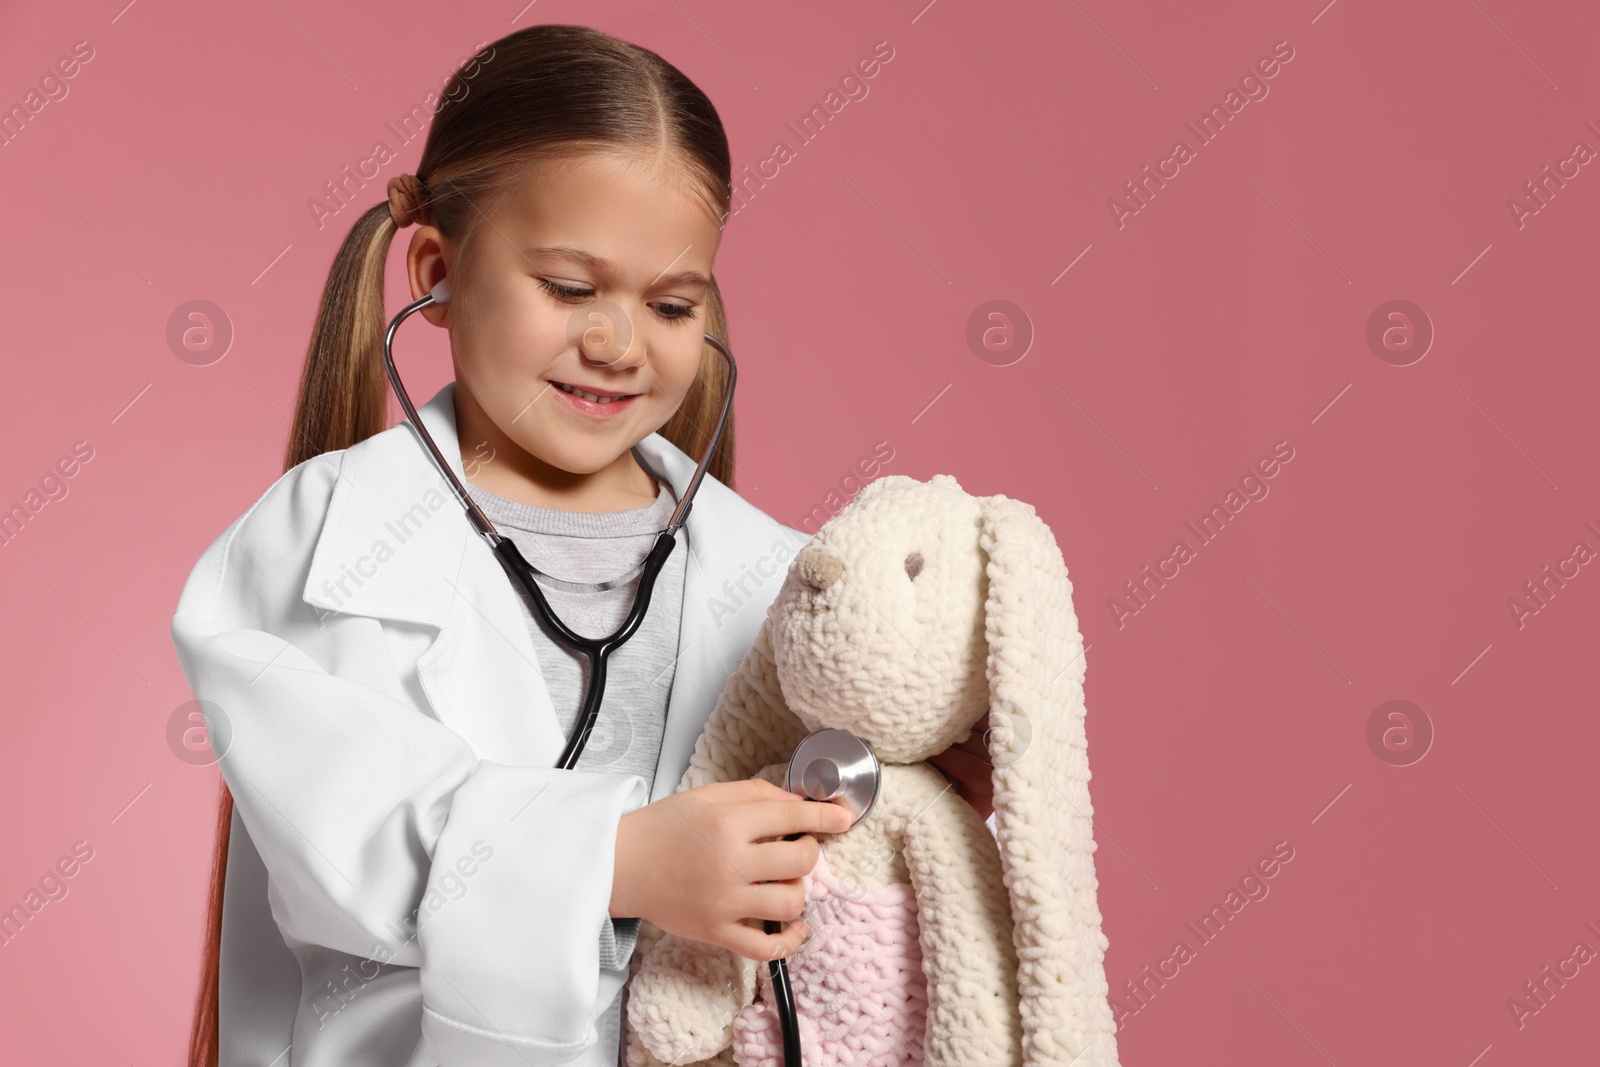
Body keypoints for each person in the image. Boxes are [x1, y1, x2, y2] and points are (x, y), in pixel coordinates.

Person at [170, 23, 991, 1067]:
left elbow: (842, 892)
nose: (618, 340)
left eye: (671, 303)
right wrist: (610, 860)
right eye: (568, 287)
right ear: (437, 268)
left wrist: (920, 789)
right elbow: (345, 840)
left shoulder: (779, 579)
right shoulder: (323, 545)